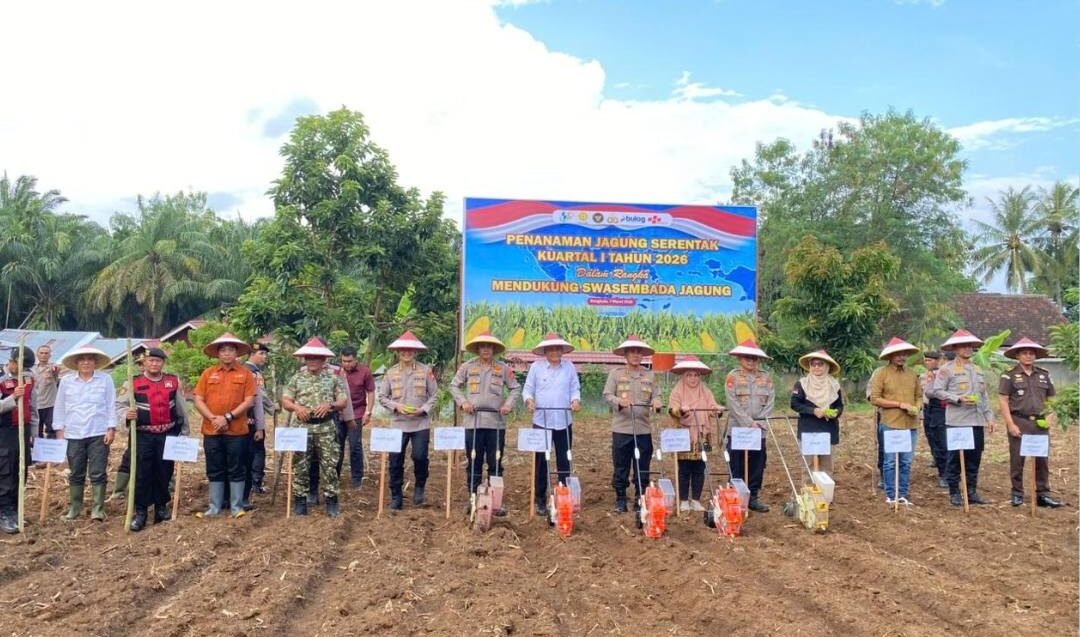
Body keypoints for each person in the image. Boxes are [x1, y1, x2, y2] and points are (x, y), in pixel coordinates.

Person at [450, 331, 520, 514]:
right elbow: (453, 385)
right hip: (473, 422)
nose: (486, 349)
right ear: (478, 349)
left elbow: (515, 388)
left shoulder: (503, 368)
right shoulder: (467, 367)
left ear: (494, 349)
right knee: (474, 461)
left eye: (489, 346)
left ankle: (495, 502)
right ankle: (473, 499)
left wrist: (507, 404)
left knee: (495, 462)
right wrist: (463, 402)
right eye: (483, 346)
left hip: (496, 423)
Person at [117, 347, 187, 531]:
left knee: (164, 471)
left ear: (163, 363)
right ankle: (140, 511)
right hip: (143, 435)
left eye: (158, 361)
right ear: (144, 363)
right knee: (142, 472)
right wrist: (126, 414)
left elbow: (181, 408)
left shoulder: (172, 381)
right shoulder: (133, 382)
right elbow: (119, 405)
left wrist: (185, 430)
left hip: (167, 434)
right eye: (150, 361)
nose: (154, 364)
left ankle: (161, 508)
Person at [192, 333, 257, 518]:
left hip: (237, 431)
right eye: (223, 350)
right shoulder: (208, 373)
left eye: (230, 350)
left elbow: (249, 401)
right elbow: (198, 399)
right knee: (214, 467)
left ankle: (236, 507)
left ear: (236, 353)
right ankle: (214, 507)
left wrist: (227, 417)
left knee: (237, 467)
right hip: (211, 430)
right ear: (218, 353)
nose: (227, 353)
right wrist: (213, 418)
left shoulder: (246, 374)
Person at [283, 338, 348, 517]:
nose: (312, 361)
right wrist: (297, 407)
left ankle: (331, 501)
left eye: (316, 358)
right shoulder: (297, 378)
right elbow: (286, 400)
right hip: (302, 428)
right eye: (309, 357)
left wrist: (330, 405)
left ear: (323, 359)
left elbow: (343, 401)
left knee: (329, 466)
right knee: (300, 465)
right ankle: (300, 501)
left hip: (326, 427)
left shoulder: (333, 379)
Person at [931, 329, 996, 507]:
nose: (968, 349)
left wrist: (989, 417)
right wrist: (957, 398)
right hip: (957, 421)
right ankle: (954, 492)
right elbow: (937, 391)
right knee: (955, 458)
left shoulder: (977, 369)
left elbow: (984, 396)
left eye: (970, 346)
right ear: (955, 348)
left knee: (974, 458)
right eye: (963, 346)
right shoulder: (947, 370)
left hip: (976, 421)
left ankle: (971, 491)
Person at [998, 337, 1063, 508]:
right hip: (1020, 421)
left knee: (1042, 460)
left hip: (1040, 423)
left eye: (1031, 353)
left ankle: (1042, 494)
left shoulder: (1044, 375)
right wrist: (1010, 424)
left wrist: (1050, 417)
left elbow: (1052, 398)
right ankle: (1017, 493)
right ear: (1018, 356)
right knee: (1017, 459)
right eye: (1024, 353)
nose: (1028, 356)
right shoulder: (1009, 375)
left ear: (1035, 356)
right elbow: (1003, 400)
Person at [377, 331, 438, 510]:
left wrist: (424, 409)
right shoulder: (390, 373)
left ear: (415, 352)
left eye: (410, 350)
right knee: (395, 460)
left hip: (420, 423)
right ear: (398, 352)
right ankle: (396, 496)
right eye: (403, 350)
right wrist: (396, 406)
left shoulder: (426, 371)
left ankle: (420, 486)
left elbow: (434, 395)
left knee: (420, 457)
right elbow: (382, 396)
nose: (406, 353)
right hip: (398, 423)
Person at [53, 347, 116, 521]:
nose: (86, 362)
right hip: (73, 433)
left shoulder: (105, 380)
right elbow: (59, 406)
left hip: (98, 432)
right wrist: (59, 430)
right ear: (76, 363)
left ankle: (98, 509)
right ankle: (75, 508)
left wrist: (111, 428)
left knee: (98, 472)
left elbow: (111, 405)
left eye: (90, 359)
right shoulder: (66, 381)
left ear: (95, 362)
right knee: (76, 472)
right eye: (82, 359)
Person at [522, 333, 581, 517]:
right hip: (542, 421)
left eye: (558, 349)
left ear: (562, 350)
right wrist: (529, 401)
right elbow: (528, 389)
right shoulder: (536, 367)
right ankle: (540, 498)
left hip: (563, 420)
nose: (555, 352)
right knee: (541, 461)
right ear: (545, 351)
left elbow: (574, 388)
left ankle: (564, 495)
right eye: (551, 349)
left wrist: (575, 401)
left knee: (564, 459)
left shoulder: (569, 367)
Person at [603, 335, 662, 513]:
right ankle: (621, 498)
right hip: (622, 428)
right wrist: (619, 402)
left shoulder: (650, 375)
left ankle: (640, 498)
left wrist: (658, 401)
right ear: (626, 355)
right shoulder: (616, 374)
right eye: (632, 352)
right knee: (621, 465)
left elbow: (657, 395)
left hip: (643, 429)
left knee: (642, 465)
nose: (636, 355)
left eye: (639, 352)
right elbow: (607, 395)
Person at [868, 338, 922, 505]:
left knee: (906, 461)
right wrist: (899, 404)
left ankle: (903, 494)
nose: (901, 357)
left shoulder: (912, 374)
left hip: (910, 424)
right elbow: (875, 399)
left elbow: (919, 396)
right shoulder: (881, 373)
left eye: (904, 354)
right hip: (890, 423)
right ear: (890, 356)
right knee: (890, 461)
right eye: (897, 354)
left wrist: (917, 407)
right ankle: (891, 495)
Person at [667, 355, 723, 512]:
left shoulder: (705, 391)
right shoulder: (677, 391)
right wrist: (681, 410)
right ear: (684, 376)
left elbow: (712, 406)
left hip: (702, 433)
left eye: (696, 375)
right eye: (689, 375)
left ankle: (696, 499)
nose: (693, 378)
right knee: (684, 468)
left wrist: (717, 410)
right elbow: (672, 409)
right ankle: (684, 500)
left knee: (700, 467)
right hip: (683, 434)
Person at [724, 339, 774, 512]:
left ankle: (752, 497)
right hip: (738, 429)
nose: (750, 361)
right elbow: (732, 404)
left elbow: (769, 403)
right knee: (736, 464)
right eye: (747, 357)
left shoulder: (766, 378)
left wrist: (759, 423)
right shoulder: (733, 377)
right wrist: (748, 422)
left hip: (759, 430)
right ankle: (735, 497)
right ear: (740, 358)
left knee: (757, 464)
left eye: (753, 358)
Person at [0, 345, 36, 533]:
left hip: (24, 432)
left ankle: (15, 509)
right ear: (12, 362)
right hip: (5, 433)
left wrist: (34, 434)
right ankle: (4, 512)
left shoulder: (29, 379)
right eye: (19, 366)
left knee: (20, 470)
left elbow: (33, 408)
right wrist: (13, 397)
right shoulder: (1, 380)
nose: (22, 371)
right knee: (5, 472)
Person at [790, 350, 844, 474]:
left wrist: (835, 412)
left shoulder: (834, 385)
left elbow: (839, 405)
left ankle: (825, 493)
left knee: (827, 467)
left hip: (828, 430)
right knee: (808, 467)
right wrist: (813, 411)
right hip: (809, 429)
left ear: (826, 366)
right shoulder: (802, 384)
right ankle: (808, 493)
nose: (816, 367)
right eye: (813, 364)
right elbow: (795, 404)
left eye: (820, 364)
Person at [108, 353, 145, 503]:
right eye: (141, 364)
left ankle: (168, 484)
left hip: (159, 428)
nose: (144, 366)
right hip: (138, 428)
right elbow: (120, 405)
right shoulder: (130, 383)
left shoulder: (166, 380)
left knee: (161, 457)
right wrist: (127, 416)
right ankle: (119, 490)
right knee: (130, 456)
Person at [240, 342, 272, 507]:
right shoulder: (253, 373)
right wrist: (273, 408)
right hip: (252, 418)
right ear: (252, 354)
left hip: (242, 419)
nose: (265, 357)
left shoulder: (241, 370)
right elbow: (261, 396)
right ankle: (255, 483)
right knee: (257, 451)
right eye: (262, 353)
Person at [337, 346, 374, 489]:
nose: (346, 364)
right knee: (337, 446)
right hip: (338, 414)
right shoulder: (336, 372)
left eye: (349, 361)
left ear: (355, 359)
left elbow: (370, 392)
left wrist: (368, 412)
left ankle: (357, 479)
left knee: (355, 446)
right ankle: (334, 476)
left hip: (357, 413)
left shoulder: (365, 372)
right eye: (343, 361)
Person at [921, 350, 949, 488]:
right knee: (931, 437)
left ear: (939, 360)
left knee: (942, 442)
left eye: (930, 360)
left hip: (942, 409)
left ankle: (945, 473)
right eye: (926, 360)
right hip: (927, 409)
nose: (928, 363)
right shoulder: (922, 376)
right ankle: (938, 461)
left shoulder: (943, 375)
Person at [32, 345, 61, 440]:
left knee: (52, 429)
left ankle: (51, 452)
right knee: (36, 431)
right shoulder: (32, 369)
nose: (44, 355)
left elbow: (56, 371)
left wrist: (55, 371)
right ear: (37, 354)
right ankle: (37, 452)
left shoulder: (52, 368)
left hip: (50, 404)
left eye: (46, 353)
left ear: (50, 355)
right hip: (35, 404)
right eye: (41, 353)